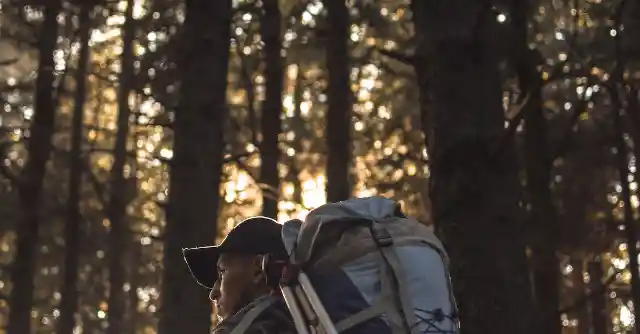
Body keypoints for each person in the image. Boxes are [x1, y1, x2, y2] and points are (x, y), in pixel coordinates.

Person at [183, 216, 297, 334]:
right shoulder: (295, 324)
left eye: (222, 272)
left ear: (258, 269)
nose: (213, 294)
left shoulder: (261, 326)